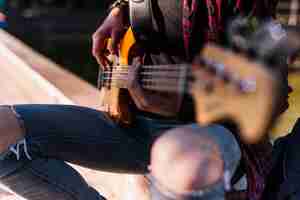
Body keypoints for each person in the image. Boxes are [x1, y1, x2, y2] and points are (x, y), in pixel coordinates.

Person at [0, 1, 282, 200]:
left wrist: (175, 106)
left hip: (209, 134)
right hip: (133, 123)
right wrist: (120, 10)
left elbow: (270, 93)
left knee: (186, 163)